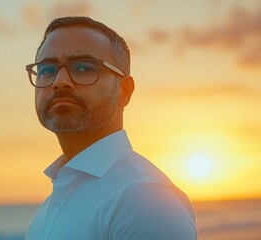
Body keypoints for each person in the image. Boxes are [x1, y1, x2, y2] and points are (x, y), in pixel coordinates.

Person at [25, 16, 198, 240]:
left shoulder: (143, 197)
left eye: (83, 67)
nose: (60, 81)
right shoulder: (51, 205)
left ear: (124, 90)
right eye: (47, 70)